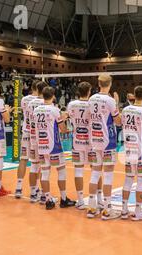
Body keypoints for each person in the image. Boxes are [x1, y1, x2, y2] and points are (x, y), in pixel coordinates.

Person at [34, 86, 76, 210]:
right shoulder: (54, 110)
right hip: (54, 146)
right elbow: (63, 130)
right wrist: (64, 119)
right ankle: (63, 199)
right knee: (61, 171)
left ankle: (48, 199)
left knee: (45, 173)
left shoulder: (36, 110)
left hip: (41, 145)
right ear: (53, 96)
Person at [87, 74, 122, 220]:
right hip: (108, 141)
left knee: (95, 173)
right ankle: (107, 209)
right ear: (110, 84)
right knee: (107, 174)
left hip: (94, 139)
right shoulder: (110, 100)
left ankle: (91, 207)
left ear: (98, 83)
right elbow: (118, 122)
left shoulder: (91, 98)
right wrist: (118, 103)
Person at [121, 86, 142, 221]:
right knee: (141, 179)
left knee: (128, 178)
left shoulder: (125, 110)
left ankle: (124, 210)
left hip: (129, 148)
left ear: (134, 95)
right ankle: (137, 211)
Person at [67, 81, 92, 210]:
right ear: (89, 92)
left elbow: (67, 117)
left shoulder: (71, 104)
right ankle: (97, 200)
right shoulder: (92, 104)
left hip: (77, 142)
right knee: (96, 170)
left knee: (78, 170)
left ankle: (81, 200)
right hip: (91, 143)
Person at [15, 80, 39, 198]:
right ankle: (35, 190)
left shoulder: (24, 99)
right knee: (36, 162)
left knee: (23, 159)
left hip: (26, 131)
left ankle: (18, 188)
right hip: (36, 135)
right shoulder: (41, 101)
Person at [27, 81, 49, 203]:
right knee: (44, 167)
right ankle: (43, 195)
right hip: (44, 139)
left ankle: (32, 193)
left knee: (34, 166)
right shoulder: (46, 103)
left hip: (33, 137)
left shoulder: (30, 103)